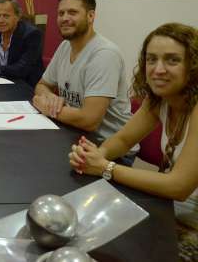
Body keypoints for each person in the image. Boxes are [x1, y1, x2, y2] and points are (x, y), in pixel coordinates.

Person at [68, 23, 198, 262]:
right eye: (151, 59)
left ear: (193, 65)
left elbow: (179, 186)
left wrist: (105, 168)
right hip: (172, 207)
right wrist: (96, 153)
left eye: (172, 60)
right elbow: (124, 138)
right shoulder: (160, 98)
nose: (158, 69)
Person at [33, 0, 133, 154]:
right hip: (74, 135)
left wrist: (47, 108)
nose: (65, 18)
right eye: (61, 13)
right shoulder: (65, 46)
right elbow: (42, 85)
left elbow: (89, 120)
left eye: (72, 12)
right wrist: (49, 97)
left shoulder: (104, 54)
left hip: (108, 148)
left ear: (91, 16)